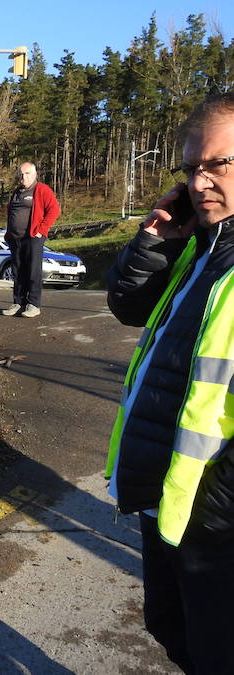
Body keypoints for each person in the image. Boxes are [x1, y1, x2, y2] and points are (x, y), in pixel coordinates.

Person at [105, 92, 234, 673]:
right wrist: (158, 240)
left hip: (217, 520)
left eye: (218, 164)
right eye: (191, 169)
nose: (200, 182)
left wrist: (217, 509)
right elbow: (130, 307)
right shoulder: (204, 247)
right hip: (170, 500)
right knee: (170, 626)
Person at [2, 162, 60, 318]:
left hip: (33, 238)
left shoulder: (41, 189)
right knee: (17, 272)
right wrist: (9, 234)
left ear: (34, 174)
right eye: (21, 174)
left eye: (27, 173)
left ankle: (33, 304)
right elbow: (12, 213)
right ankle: (18, 303)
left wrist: (41, 230)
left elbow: (54, 210)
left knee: (33, 271)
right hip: (15, 239)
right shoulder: (17, 192)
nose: (23, 177)